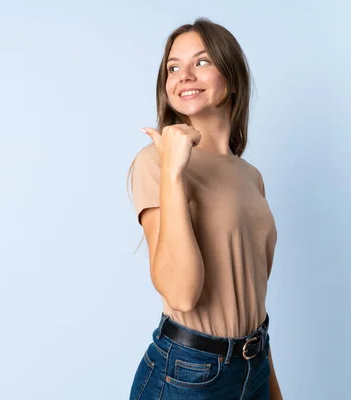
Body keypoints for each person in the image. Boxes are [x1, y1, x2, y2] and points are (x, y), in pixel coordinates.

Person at [127, 17, 283, 400]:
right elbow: (181, 294)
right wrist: (174, 173)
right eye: (173, 67)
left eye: (201, 62)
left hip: (254, 364)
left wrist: (268, 383)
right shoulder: (155, 163)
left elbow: (250, 300)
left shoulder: (251, 176)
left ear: (230, 77)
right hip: (187, 375)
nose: (184, 75)